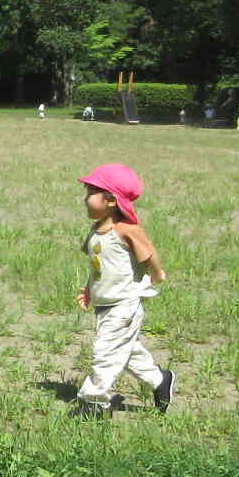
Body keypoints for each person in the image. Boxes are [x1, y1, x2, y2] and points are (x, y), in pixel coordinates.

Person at [71, 162, 174, 418]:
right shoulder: (95, 232)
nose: (85, 200)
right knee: (126, 352)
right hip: (105, 305)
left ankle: (94, 405)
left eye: (90, 194)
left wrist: (157, 273)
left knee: (105, 352)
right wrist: (89, 289)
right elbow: (98, 267)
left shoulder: (126, 230)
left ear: (110, 200)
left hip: (124, 305)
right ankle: (160, 381)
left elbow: (148, 253)